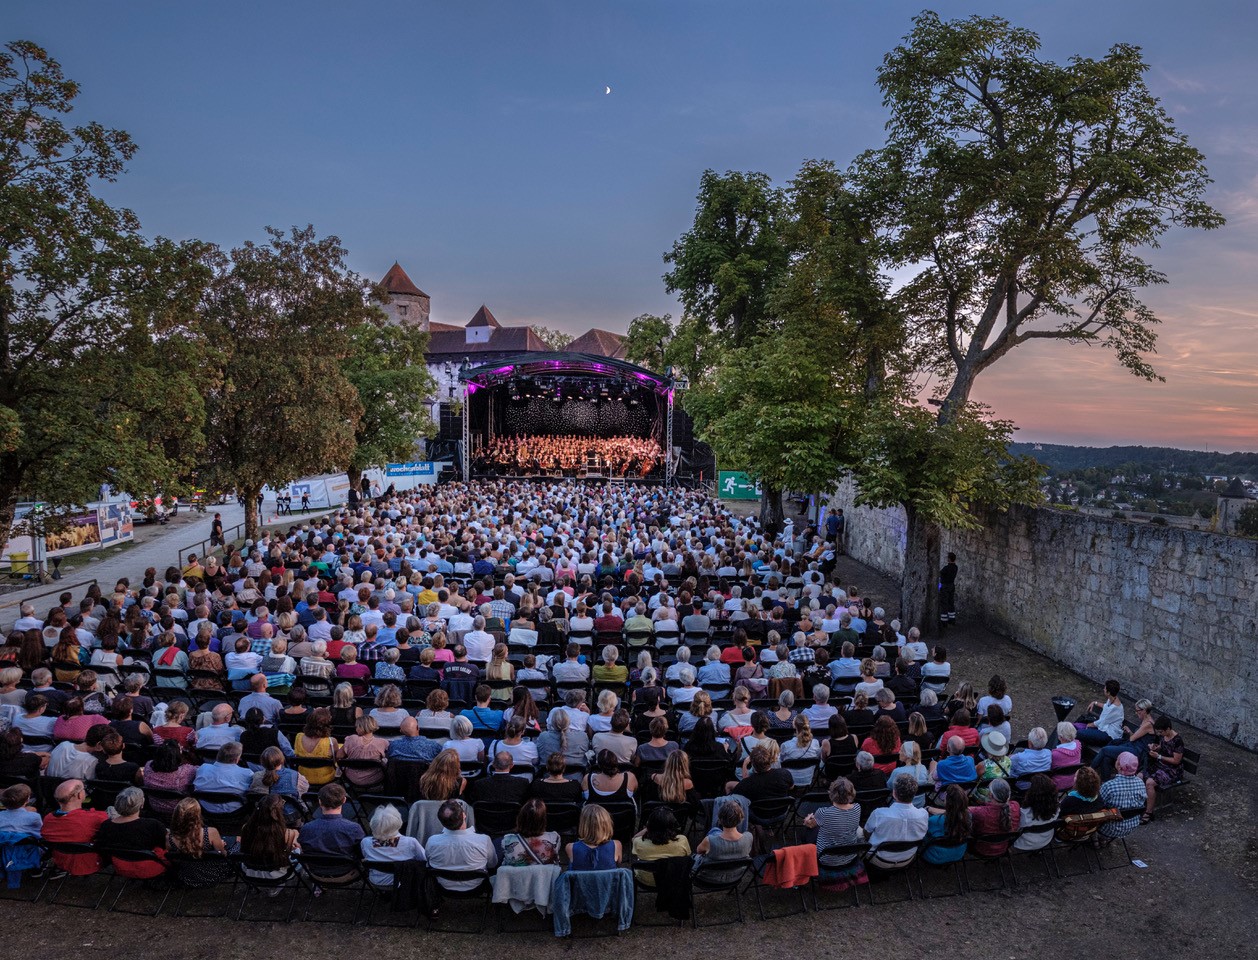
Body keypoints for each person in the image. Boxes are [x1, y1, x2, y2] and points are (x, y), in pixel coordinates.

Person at [803, 777, 865, 888]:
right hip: (850, 856)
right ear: (852, 793)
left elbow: (810, 825)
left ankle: (807, 858)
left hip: (826, 859)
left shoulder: (823, 812)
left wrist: (807, 820)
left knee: (808, 831)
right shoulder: (857, 808)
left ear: (831, 794)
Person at [93, 786, 168, 879]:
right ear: (141, 804)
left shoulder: (106, 825)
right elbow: (166, 846)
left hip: (120, 867)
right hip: (149, 868)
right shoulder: (153, 825)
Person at [426, 799, 498, 890]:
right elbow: (492, 864)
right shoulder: (484, 840)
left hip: (443, 887)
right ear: (464, 815)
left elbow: (428, 863)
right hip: (476, 887)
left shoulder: (432, 841)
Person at [41, 779, 108, 875]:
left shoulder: (48, 819)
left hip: (61, 862)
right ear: (79, 795)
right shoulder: (97, 817)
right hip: (91, 863)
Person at [863, 773, 928, 868]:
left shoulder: (879, 814)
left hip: (878, 859)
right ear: (914, 794)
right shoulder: (923, 814)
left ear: (894, 793)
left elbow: (866, 833)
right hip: (907, 859)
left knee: (858, 832)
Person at [360, 803, 426, 889]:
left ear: (373, 824)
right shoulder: (410, 842)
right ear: (398, 822)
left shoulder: (365, 842)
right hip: (403, 882)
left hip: (376, 881)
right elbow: (425, 859)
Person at [238, 794, 299, 881]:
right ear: (279, 812)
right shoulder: (288, 833)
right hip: (277, 874)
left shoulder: (246, 828)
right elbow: (288, 856)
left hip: (250, 871)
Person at [298, 783, 365, 858]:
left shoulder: (306, 828)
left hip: (314, 865)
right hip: (345, 864)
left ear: (320, 802)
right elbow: (362, 853)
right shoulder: (354, 829)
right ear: (344, 800)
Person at [694, 798, 754, 881]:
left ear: (719, 819)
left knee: (714, 831)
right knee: (715, 830)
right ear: (741, 819)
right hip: (735, 877)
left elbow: (699, 851)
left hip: (709, 878)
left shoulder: (710, 840)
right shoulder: (749, 837)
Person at [631, 806, 691, 885]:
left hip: (647, 880)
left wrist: (649, 827)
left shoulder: (639, 842)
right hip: (674, 878)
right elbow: (688, 855)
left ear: (649, 825)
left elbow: (634, 838)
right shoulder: (682, 840)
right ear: (673, 825)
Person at [1143, 716, 1186, 822]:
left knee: (1149, 783)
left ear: (1168, 729)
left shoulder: (1177, 741)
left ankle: (1149, 812)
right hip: (1161, 765)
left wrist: (1159, 756)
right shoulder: (1164, 736)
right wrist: (1155, 748)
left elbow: (1176, 761)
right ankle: (1141, 803)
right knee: (1140, 775)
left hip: (1173, 770)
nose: (1159, 734)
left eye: (1161, 731)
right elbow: (1162, 747)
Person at [193, 742, 254, 814]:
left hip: (205, 809)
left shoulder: (203, 769)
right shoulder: (247, 773)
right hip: (235, 812)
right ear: (236, 759)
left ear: (218, 755)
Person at [1098, 752, 1146, 841]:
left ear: (1119, 767)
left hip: (1109, 828)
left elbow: (1097, 805)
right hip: (1131, 826)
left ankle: (1097, 840)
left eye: (1117, 760)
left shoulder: (1109, 786)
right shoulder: (1141, 783)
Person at [142, 740, 197, 817]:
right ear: (177, 756)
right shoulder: (187, 771)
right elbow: (201, 770)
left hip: (154, 806)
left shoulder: (148, 766)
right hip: (178, 810)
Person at [500, 799, 562, 866]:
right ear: (543, 820)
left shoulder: (507, 840)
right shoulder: (554, 838)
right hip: (545, 873)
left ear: (520, 818)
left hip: (515, 873)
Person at [969, 778, 1020, 856]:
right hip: (1003, 848)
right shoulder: (1015, 806)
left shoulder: (979, 812)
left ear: (990, 795)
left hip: (981, 849)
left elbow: (963, 810)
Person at [922, 783, 970, 866]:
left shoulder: (934, 820)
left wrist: (926, 809)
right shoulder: (969, 817)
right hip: (958, 855)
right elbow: (956, 812)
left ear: (947, 801)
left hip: (934, 856)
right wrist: (930, 808)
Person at [566, 803, 621, 869]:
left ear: (583, 825)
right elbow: (618, 864)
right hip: (608, 876)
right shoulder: (616, 845)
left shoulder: (570, 848)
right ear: (607, 825)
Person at [293, 707, 339, 786]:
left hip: (303, 776)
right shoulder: (331, 741)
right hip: (325, 778)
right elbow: (337, 759)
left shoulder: (298, 737)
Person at [1013, 774, 1060, 851]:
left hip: (1024, 843)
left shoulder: (1023, 813)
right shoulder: (1056, 809)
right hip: (1046, 840)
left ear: (1031, 794)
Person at [779, 714, 822, 786]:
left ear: (794, 726)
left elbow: (781, 761)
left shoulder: (786, 745)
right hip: (808, 779)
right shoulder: (815, 743)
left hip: (790, 780)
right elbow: (818, 758)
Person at [938, 551, 957, 624]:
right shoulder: (956, 567)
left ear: (949, 559)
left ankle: (944, 620)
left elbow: (940, 574)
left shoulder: (946, 568)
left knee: (944, 603)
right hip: (952, 585)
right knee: (951, 602)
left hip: (945, 586)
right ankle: (952, 619)